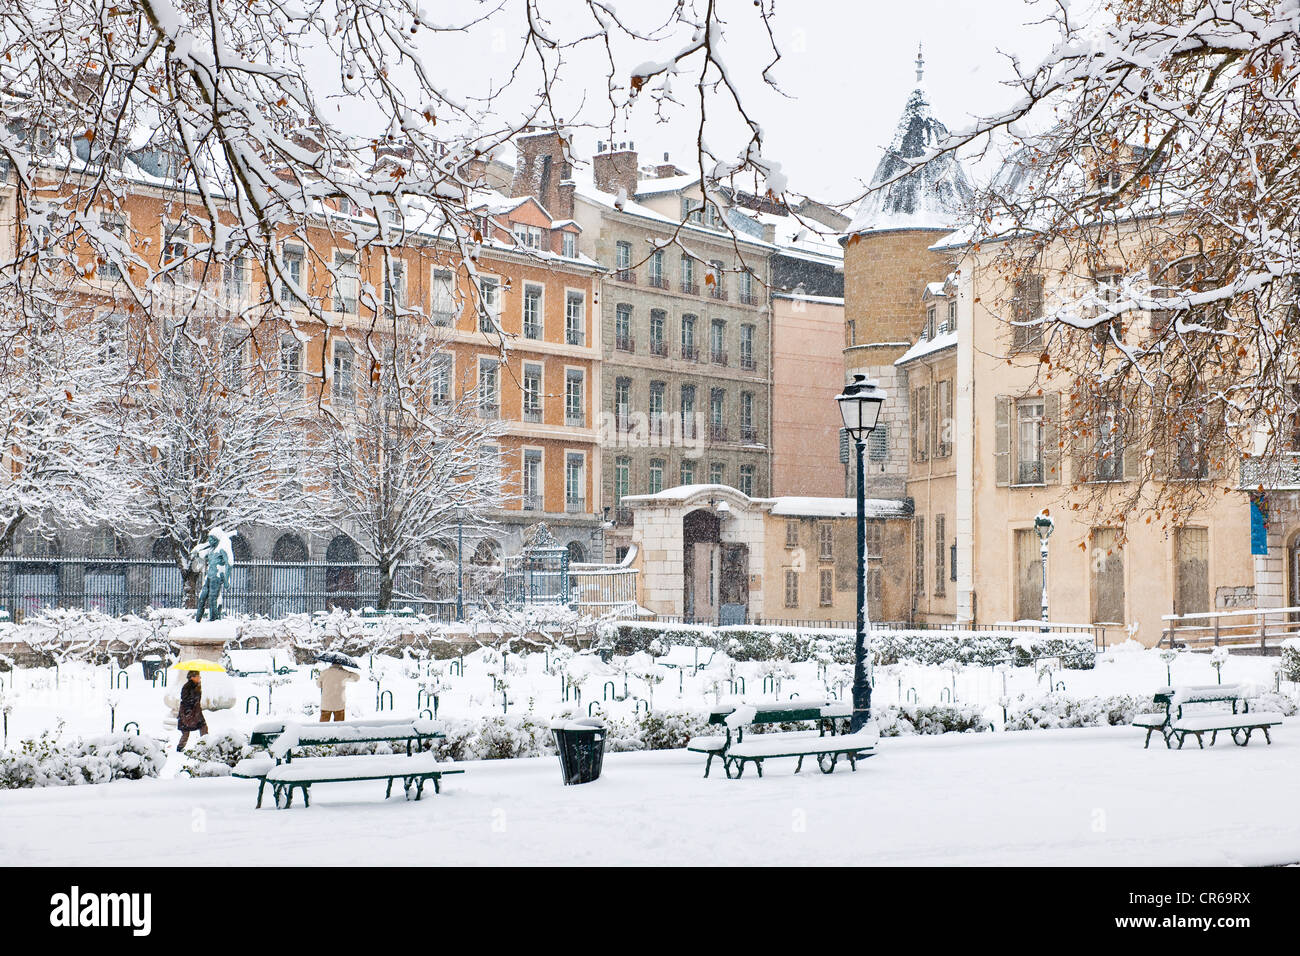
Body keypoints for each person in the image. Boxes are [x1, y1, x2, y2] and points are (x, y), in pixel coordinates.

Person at [176, 671, 208, 752]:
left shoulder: (197, 686)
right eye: (198, 676)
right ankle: (180, 747)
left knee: (203, 727)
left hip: (196, 711)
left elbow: (197, 699)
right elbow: (185, 699)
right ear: (192, 677)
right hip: (188, 712)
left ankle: (206, 745)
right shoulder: (187, 687)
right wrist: (189, 710)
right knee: (186, 731)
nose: (200, 678)